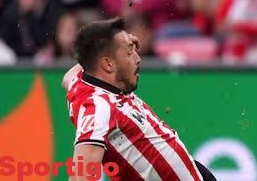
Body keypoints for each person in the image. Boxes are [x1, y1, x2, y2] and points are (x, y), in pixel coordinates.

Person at [62, 18, 216, 180]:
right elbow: (80, 177)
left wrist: (118, 43)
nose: (137, 58)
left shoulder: (83, 81)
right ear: (108, 65)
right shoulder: (98, 108)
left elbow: (68, 77)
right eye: (129, 53)